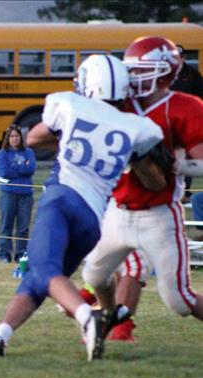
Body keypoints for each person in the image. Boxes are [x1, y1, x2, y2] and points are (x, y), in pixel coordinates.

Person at [0, 54, 167, 362]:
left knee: (43, 270)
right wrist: (132, 155)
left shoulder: (69, 104)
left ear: (88, 84)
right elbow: (155, 182)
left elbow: (33, 137)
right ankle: (0, 335)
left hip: (61, 199)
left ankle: (89, 316)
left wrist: (69, 136)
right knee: (41, 279)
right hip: (93, 220)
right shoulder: (137, 126)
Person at [82, 37, 203, 343]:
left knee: (179, 300)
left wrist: (179, 165)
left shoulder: (185, 107)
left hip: (159, 215)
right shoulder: (119, 102)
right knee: (93, 276)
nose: (134, 78)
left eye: (142, 71)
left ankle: (115, 325)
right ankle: (113, 324)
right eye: (131, 71)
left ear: (166, 72)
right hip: (116, 210)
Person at [0, 125, 36, 264]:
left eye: (17, 136)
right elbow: (4, 172)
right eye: (12, 136)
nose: (14, 138)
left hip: (26, 194)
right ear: (8, 138)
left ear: (21, 137)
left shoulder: (28, 152)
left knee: (23, 228)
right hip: (8, 193)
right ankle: (4, 255)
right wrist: (22, 168)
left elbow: (31, 169)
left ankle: (21, 255)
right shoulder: (2, 154)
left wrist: (15, 168)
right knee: (7, 225)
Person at [170, 44, 203, 205]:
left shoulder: (191, 74)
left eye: (179, 57)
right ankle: (174, 188)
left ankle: (185, 190)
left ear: (183, 58)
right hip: (170, 120)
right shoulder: (167, 75)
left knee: (188, 154)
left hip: (187, 120)